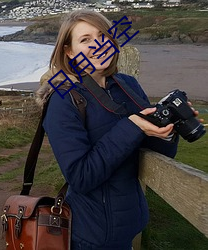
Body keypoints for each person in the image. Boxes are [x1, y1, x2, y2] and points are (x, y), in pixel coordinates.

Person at [36, 10, 198, 250]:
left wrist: (170, 126)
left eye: (103, 35)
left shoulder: (127, 85)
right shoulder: (64, 101)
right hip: (91, 236)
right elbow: (80, 176)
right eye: (85, 39)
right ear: (68, 52)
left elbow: (156, 152)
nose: (97, 45)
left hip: (130, 227)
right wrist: (132, 126)